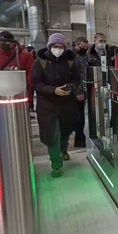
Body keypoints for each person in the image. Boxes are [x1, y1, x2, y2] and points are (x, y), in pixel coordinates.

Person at [32, 33, 81, 177]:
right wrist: (53, 90)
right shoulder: (40, 62)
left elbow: (76, 79)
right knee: (52, 134)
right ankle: (56, 164)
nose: (58, 49)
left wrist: (70, 87)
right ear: (49, 46)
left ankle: (63, 150)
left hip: (67, 103)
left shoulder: (71, 61)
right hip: (47, 104)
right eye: (55, 46)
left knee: (65, 130)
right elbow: (36, 83)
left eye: (61, 47)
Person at [0, 31, 34, 110]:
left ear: (13, 42)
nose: (2, 44)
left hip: (20, 98)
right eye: (1, 42)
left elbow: (30, 79)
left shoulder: (25, 56)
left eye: (6, 41)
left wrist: (29, 102)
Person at [73, 37, 89, 147]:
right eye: (83, 47)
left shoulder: (85, 57)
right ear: (77, 45)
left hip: (85, 89)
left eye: (86, 47)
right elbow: (75, 76)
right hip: (77, 91)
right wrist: (78, 92)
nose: (84, 49)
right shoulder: (73, 57)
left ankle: (81, 136)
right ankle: (78, 138)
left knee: (82, 115)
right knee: (78, 116)